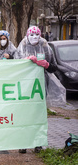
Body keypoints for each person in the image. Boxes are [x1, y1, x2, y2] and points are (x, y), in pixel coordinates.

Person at [17, 26, 58, 154]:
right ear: (27, 36)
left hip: (40, 88)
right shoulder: (22, 46)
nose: (34, 37)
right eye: (32, 35)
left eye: (37, 35)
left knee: (38, 116)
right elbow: (15, 65)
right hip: (25, 87)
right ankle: (23, 143)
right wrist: (25, 62)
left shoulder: (45, 46)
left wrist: (46, 64)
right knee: (24, 115)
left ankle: (38, 143)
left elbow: (54, 67)